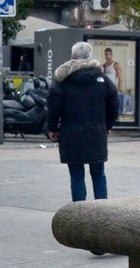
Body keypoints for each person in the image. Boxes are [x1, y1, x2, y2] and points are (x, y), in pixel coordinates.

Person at [46, 41, 120, 203]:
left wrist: (52, 128)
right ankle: (102, 210)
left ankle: (79, 213)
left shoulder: (62, 79)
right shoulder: (102, 78)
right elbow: (114, 103)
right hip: (96, 133)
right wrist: (107, 125)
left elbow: (53, 106)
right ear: (90, 57)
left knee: (76, 175)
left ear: (72, 57)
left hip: (70, 134)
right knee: (99, 174)